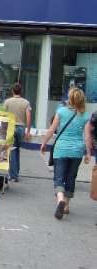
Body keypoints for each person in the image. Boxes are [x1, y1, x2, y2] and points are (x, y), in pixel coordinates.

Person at [41, 88, 90, 220]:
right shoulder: (85, 115)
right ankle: (67, 206)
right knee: (71, 177)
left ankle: (60, 200)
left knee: (59, 177)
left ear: (70, 98)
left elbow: (52, 129)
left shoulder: (61, 111)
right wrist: (88, 153)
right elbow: (87, 137)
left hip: (61, 149)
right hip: (77, 151)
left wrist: (44, 143)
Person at [4, 83, 32, 182]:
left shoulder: (7, 102)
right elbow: (28, 117)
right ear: (21, 91)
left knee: (12, 151)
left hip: (10, 127)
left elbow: (4, 115)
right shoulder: (26, 102)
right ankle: (15, 173)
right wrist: (28, 131)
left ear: (12, 91)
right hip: (20, 128)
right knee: (17, 150)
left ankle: (13, 174)